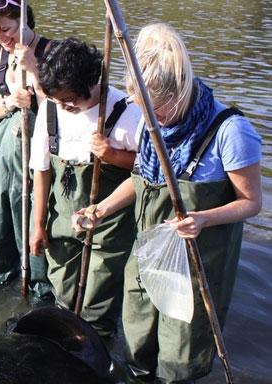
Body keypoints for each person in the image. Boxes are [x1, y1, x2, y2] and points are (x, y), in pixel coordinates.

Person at [74, 23, 262, 382]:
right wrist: (102, 209)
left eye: (156, 111)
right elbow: (142, 180)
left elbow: (251, 202)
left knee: (179, 360)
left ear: (178, 95)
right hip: (148, 256)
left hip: (196, 268)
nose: (149, 120)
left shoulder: (230, 131)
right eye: (143, 111)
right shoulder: (151, 125)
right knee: (137, 345)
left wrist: (203, 218)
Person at [29, 37, 142, 336]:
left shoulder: (126, 113)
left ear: (91, 84)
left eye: (69, 102)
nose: (63, 108)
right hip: (63, 220)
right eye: (57, 101)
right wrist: (38, 224)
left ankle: (99, 349)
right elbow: (41, 170)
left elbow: (151, 171)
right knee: (64, 292)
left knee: (98, 302)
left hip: (110, 226)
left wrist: (114, 156)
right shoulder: (50, 109)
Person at [0, 1, 54, 300]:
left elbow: (57, 109)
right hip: (0, 151)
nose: (1, 37)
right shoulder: (0, 53)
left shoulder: (49, 51)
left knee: (29, 222)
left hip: (33, 153)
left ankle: (40, 291)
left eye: (6, 29)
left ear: (24, 23)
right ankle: (1, 287)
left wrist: (33, 70)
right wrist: (11, 102)